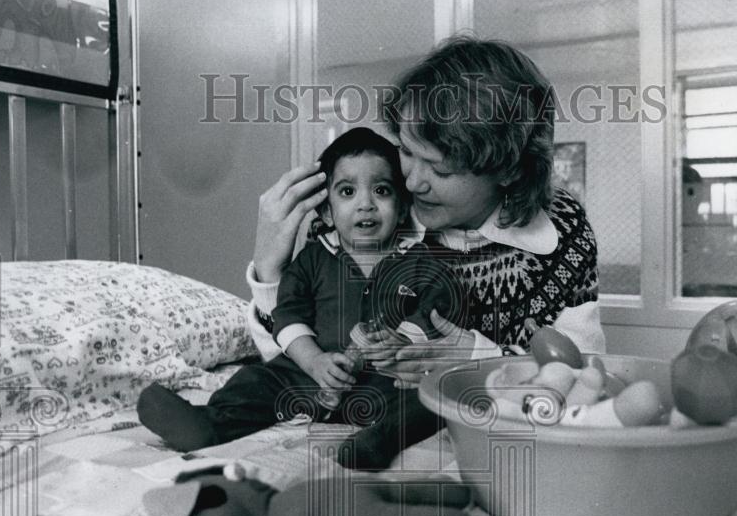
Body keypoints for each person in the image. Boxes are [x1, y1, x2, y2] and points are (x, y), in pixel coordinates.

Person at [247, 36, 606, 470]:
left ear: (509, 170)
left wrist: (474, 358)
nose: (412, 182)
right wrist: (268, 271)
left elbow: (582, 378)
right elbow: (294, 361)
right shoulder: (375, 208)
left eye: (439, 169)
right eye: (405, 151)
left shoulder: (561, 228)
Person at [136, 127, 464, 452]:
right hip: (309, 378)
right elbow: (288, 316)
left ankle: (376, 444)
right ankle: (208, 423)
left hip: (384, 382)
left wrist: (404, 343)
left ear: (404, 207)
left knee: (428, 398)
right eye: (348, 192)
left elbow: (437, 313)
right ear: (326, 211)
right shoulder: (313, 260)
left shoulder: (421, 262)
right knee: (257, 380)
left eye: (381, 191)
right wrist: (314, 361)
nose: (366, 204)